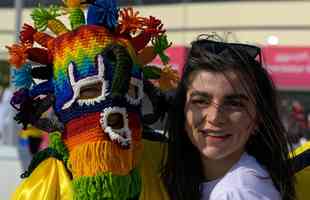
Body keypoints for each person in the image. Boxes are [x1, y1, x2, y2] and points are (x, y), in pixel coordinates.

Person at [162, 35, 296, 200]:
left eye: (234, 104)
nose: (215, 117)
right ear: (182, 109)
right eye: (200, 101)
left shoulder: (238, 193)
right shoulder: (197, 180)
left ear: (258, 118)